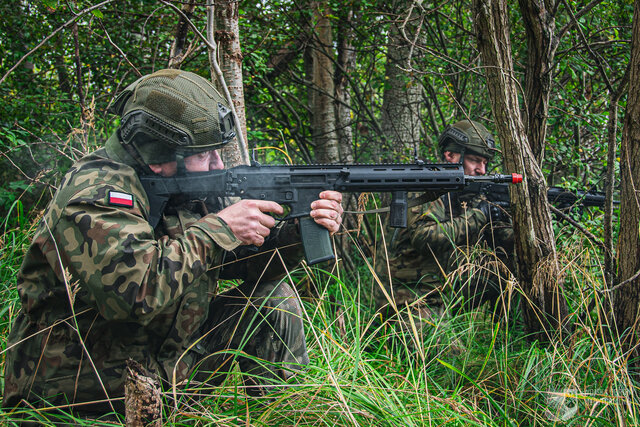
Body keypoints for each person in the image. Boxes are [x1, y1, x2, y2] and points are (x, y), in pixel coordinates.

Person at [2, 69, 344, 416]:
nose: (218, 163)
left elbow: (238, 263)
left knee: (273, 301)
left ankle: (283, 418)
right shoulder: (95, 192)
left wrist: (300, 231)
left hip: (164, 369)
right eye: (205, 154)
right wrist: (219, 227)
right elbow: (133, 295)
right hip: (77, 395)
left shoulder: (186, 187)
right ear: (159, 156)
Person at [375, 120, 513, 318]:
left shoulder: (467, 191)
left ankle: (508, 337)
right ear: (450, 155)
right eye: (475, 160)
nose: (482, 170)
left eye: (485, 163)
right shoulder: (424, 185)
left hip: (444, 285)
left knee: (508, 272)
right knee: (447, 350)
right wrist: (480, 214)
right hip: (409, 294)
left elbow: (502, 238)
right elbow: (424, 237)